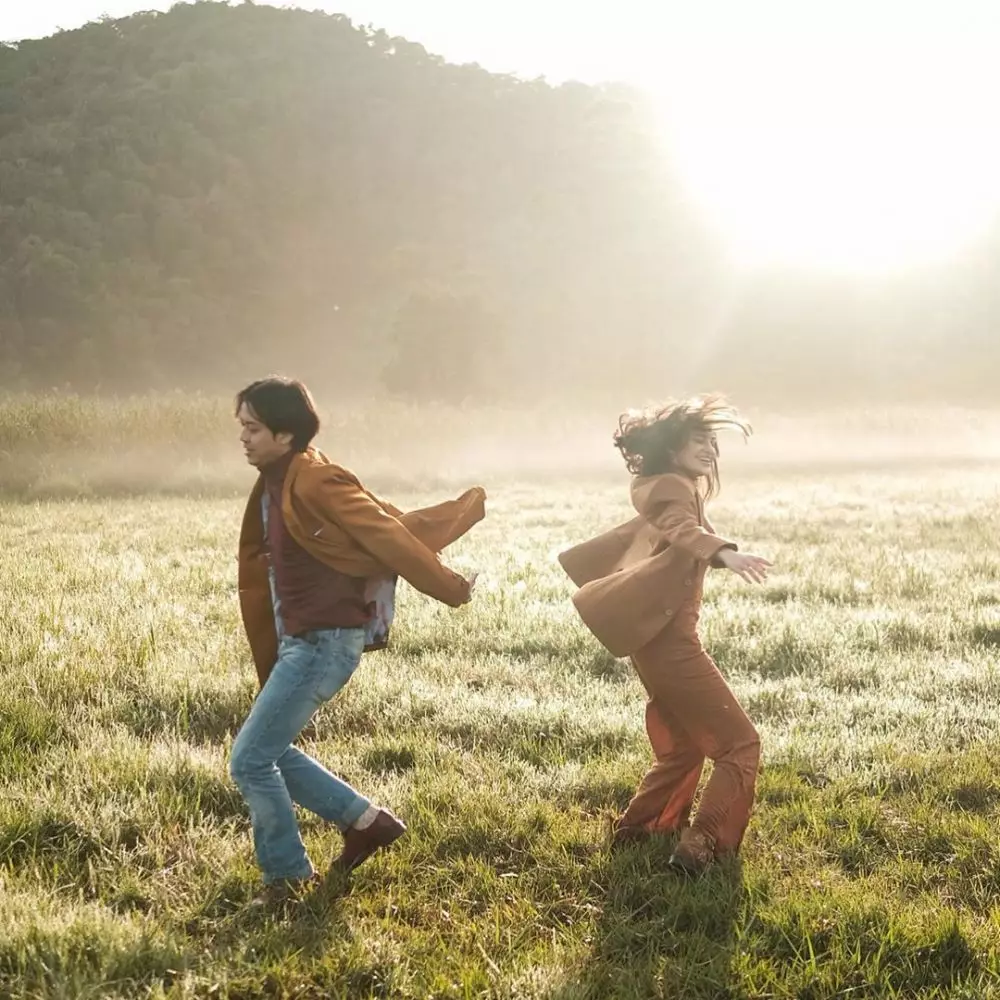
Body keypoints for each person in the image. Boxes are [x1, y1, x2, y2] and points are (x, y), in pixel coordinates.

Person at [233, 376, 483, 905]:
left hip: (325, 642)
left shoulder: (317, 480)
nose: (244, 438)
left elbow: (389, 535)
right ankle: (366, 823)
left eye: (253, 428)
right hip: (304, 640)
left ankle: (286, 877)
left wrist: (450, 586)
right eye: (242, 428)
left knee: (250, 759)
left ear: (285, 433)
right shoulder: (276, 479)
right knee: (266, 752)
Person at [558, 395, 771, 875]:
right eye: (699, 441)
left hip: (657, 642)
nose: (710, 451)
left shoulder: (674, 483)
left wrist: (718, 547)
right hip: (672, 645)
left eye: (713, 443)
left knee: (684, 745)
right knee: (740, 745)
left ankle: (640, 830)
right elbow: (680, 527)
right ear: (672, 445)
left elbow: (688, 525)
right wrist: (725, 554)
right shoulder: (671, 487)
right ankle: (700, 850)